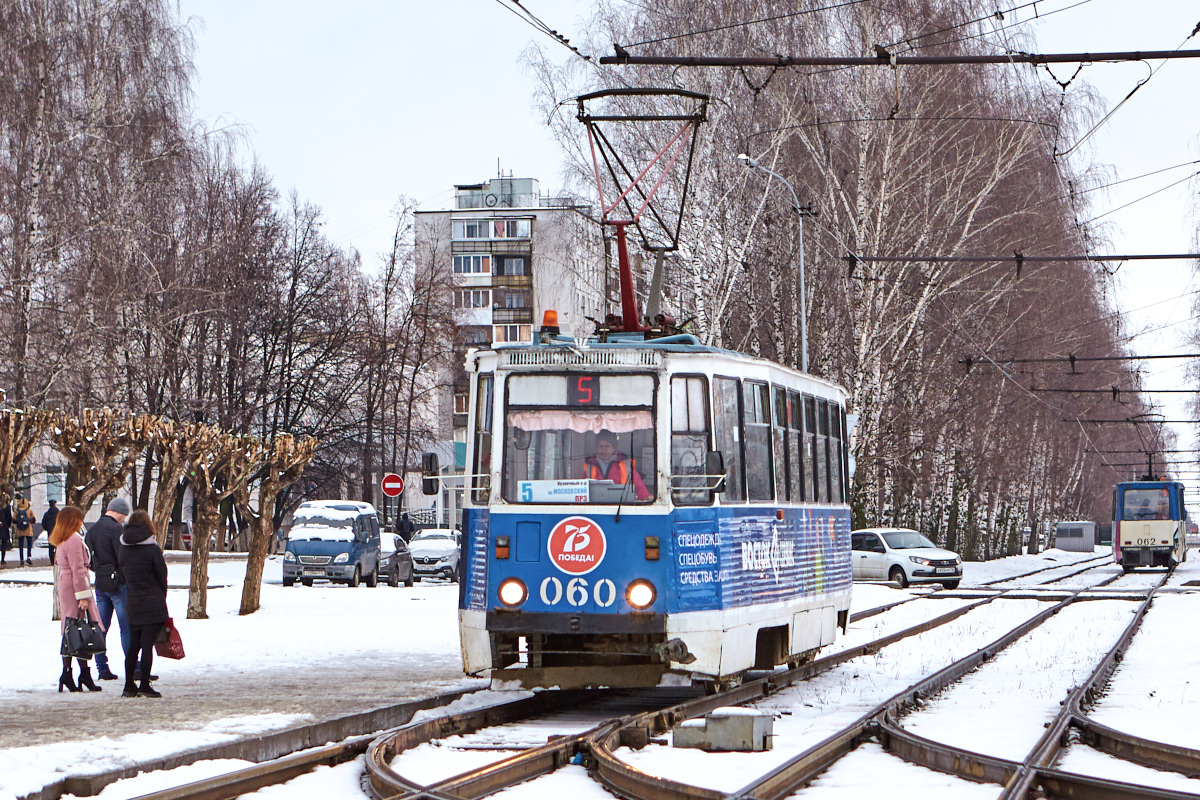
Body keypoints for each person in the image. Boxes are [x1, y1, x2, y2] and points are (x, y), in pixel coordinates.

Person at [51, 505, 104, 692]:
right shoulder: (73, 539)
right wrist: (83, 596)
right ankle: (82, 674)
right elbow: (78, 569)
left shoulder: (62, 539)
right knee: (79, 630)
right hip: (75, 587)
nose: (82, 521)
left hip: (67, 585)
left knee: (71, 629)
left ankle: (69, 672)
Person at [118, 510, 168, 699]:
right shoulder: (152, 549)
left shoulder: (123, 548)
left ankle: (129, 685)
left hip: (132, 601)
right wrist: (161, 596)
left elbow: (122, 574)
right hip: (152, 601)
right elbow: (162, 577)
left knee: (133, 646)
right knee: (147, 645)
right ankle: (145, 684)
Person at [85, 497, 132, 681]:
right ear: (119, 512)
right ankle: (133, 666)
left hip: (100, 583)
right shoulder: (117, 530)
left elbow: (87, 558)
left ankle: (102, 668)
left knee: (101, 627)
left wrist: (100, 570)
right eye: (124, 516)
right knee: (126, 627)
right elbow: (123, 557)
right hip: (119, 583)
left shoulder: (92, 530)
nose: (123, 519)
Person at [583, 430, 652, 501]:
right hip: (596, 506)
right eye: (600, 446)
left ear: (614, 447)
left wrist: (646, 496)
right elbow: (583, 488)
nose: (603, 450)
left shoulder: (627, 464)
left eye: (607, 446)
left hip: (621, 505)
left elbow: (639, 486)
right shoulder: (589, 465)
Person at [14, 495, 34, 566]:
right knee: (29, 544)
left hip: (20, 531)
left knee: (21, 545)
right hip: (28, 530)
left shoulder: (17, 511)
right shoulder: (29, 511)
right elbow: (33, 519)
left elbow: (13, 520)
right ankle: (28, 557)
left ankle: (21, 559)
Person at [42, 500, 59, 565]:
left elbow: (43, 524)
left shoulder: (46, 514)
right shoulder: (58, 513)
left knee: (51, 547)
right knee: (58, 547)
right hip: (58, 532)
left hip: (50, 532)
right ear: (55, 504)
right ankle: (58, 560)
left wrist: (48, 529)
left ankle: (52, 561)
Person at [0, 499, 11, 566]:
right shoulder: (6, 509)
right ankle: (2, 559)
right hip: (4, 527)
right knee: (4, 544)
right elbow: (9, 518)